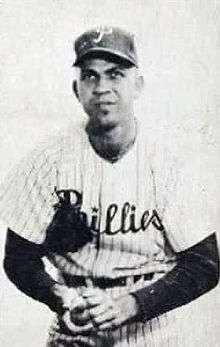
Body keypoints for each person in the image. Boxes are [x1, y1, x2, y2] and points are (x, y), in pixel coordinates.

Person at [1, 26, 219, 347]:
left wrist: (131, 304)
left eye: (115, 74)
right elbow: (19, 258)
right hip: (76, 319)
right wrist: (59, 297)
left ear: (138, 86)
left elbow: (205, 264)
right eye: (90, 76)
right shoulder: (47, 160)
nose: (102, 87)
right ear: (77, 89)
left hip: (155, 326)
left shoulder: (168, 162)